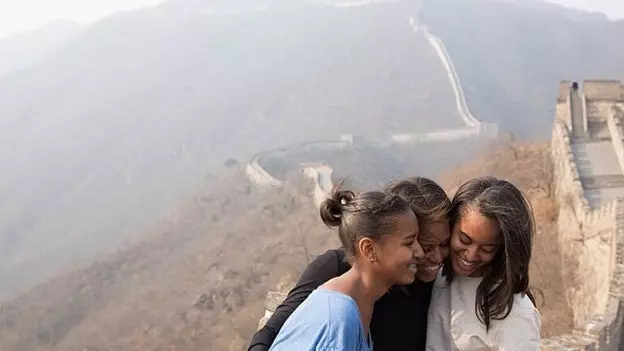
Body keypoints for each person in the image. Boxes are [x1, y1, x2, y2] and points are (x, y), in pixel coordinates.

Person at [248, 177, 452, 351]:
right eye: (416, 242)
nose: (434, 257)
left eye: (444, 244)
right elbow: (273, 331)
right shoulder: (339, 282)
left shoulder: (432, 284)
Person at [426, 176, 541, 350]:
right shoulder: (435, 275)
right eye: (464, 240)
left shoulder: (516, 313)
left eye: (487, 249)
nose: (471, 256)